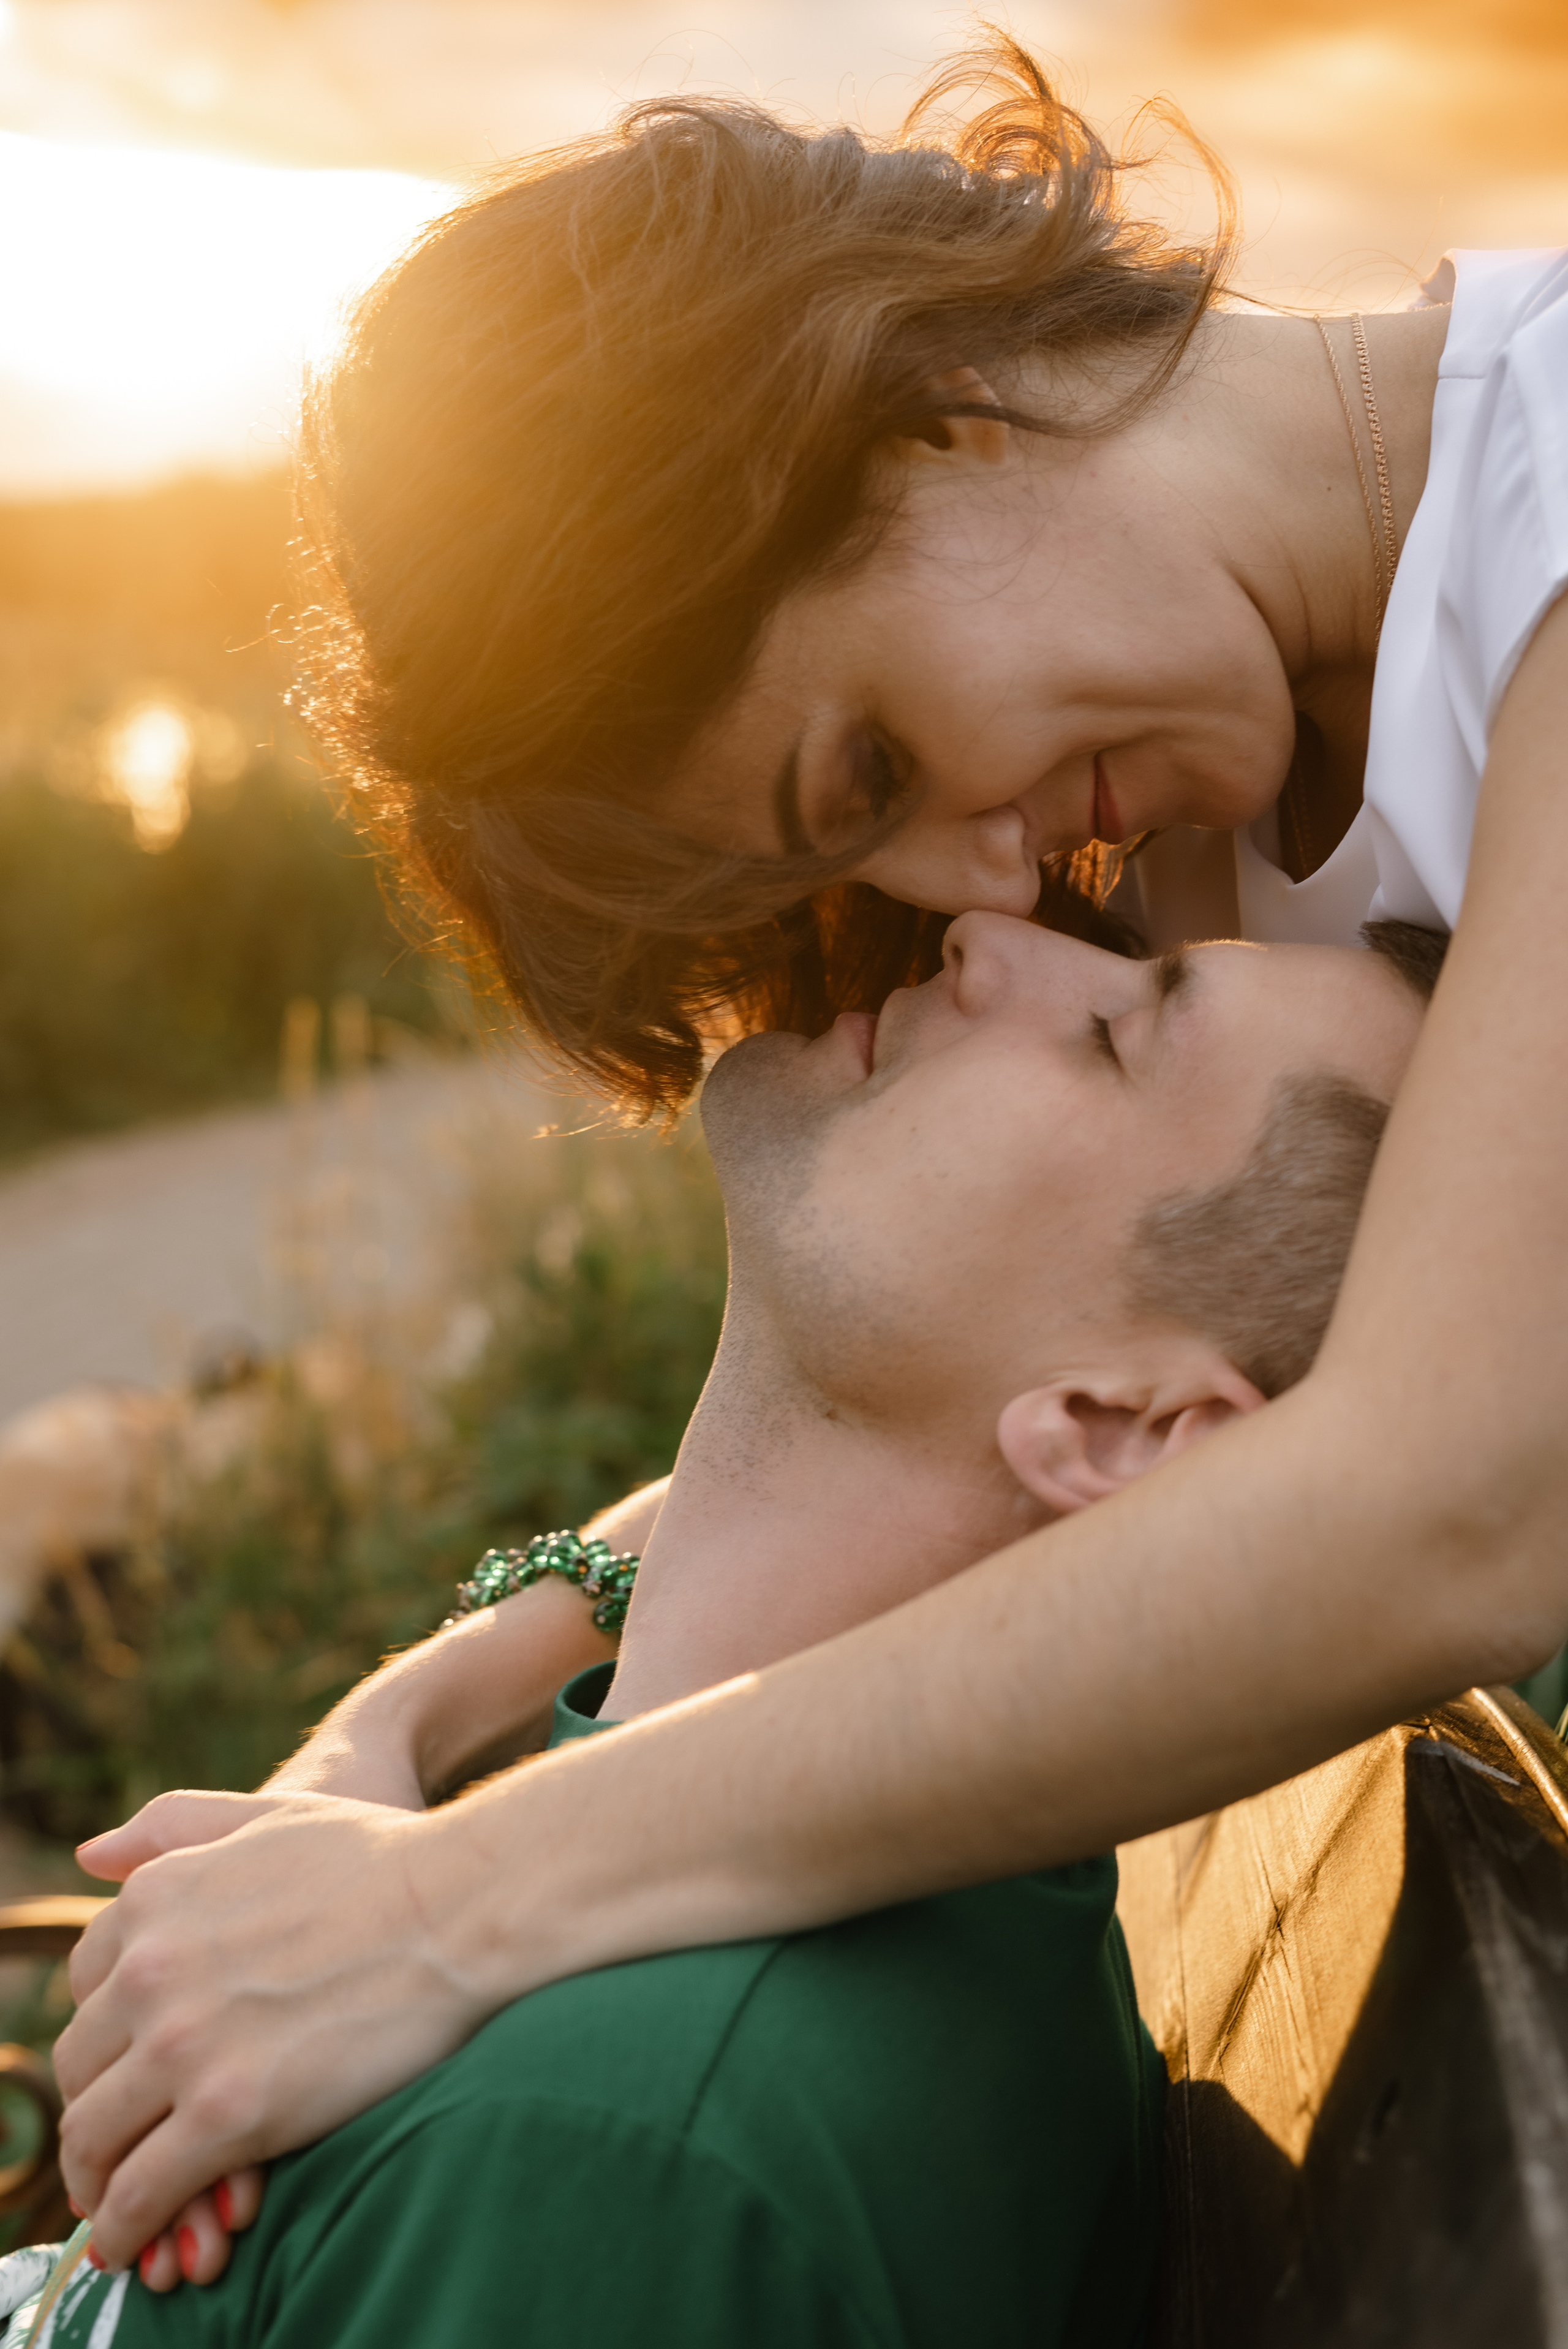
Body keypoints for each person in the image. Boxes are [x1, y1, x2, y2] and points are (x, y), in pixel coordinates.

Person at [56, 31, 1568, 2262]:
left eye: (866, 763)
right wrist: (398, 1731)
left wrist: (446, 1905)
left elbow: (1450, 1503)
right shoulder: (1216, 802)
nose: (982, 888)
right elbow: (991, 1416)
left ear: (929, 399)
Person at [17, 913, 1436, 2344]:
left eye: (1114, 1036)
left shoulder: (612, 2154)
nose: (985, 937)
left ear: (1119, 1425)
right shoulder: (675, 1970)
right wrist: (394, 1721)